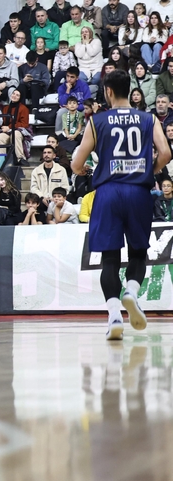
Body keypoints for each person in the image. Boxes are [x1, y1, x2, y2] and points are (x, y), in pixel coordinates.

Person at [73, 69, 171, 340]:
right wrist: (150, 170)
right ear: (129, 90)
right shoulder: (149, 118)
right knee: (138, 253)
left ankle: (114, 315)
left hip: (108, 192)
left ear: (108, 91)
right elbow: (165, 153)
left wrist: (83, 171)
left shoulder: (97, 121)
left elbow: (76, 163)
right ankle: (132, 291)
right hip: (138, 191)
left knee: (110, 259)